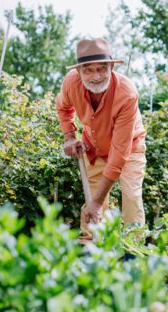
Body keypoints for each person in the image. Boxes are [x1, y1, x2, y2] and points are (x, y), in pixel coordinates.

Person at [55, 37, 147, 241]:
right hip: (94, 147)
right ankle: (91, 248)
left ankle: (134, 250)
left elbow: (120, 152)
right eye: (88, 69)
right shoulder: (71, 83)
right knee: (94, 200)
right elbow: (62, 107)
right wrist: (69, 137)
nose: (96, 76)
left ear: (112, 66)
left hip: (129, 148)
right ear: (78, 71)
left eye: (102, 68)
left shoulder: (127, 94)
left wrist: (96, 201)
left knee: (131, 197)